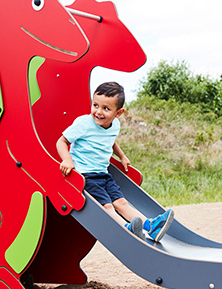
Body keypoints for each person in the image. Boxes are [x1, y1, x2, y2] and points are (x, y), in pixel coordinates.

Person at [56, 81, 173, 242]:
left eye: (106, 108)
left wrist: (122, 156)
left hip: (103, 174)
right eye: (95, 105)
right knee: (107, 206)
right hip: (85, 176)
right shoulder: (84, 123)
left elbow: (110, 140)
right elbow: (61, 141)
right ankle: (125, 229)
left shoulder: (114, 125)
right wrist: (67, 160)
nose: (98, 112)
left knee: (122, 203)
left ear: (118, 113)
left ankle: (151, 227)